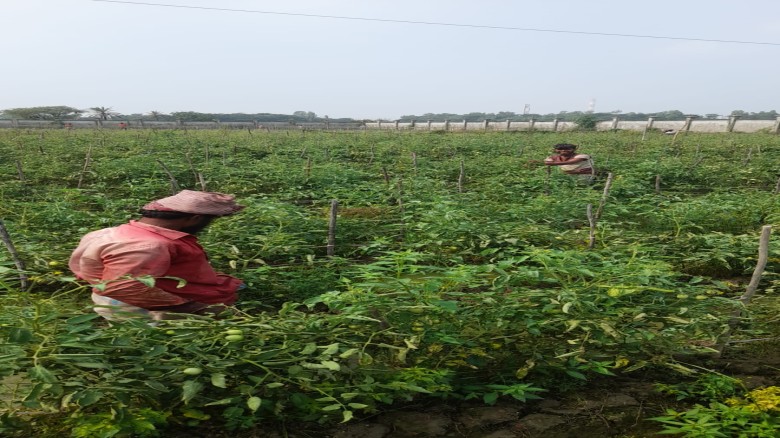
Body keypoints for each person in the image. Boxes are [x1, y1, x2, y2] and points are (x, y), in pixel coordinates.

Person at [68, 190, 245, 321]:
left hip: (117, 292)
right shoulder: (149, 246)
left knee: (231, 286)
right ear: (195, 218)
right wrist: (194, 308)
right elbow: (124, 287)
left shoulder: (115, 232)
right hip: (128, 304)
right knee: (225, 315)